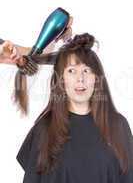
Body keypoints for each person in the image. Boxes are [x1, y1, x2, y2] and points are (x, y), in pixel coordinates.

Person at [15, 33, 133, 183]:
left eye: (86, 70)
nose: (80, 79)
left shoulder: (118, 126)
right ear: (61, 79)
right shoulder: (44, 128)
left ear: (96, 79)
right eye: (71, 71)